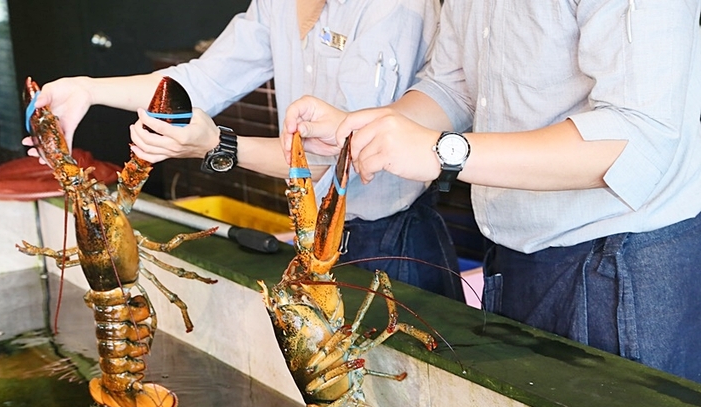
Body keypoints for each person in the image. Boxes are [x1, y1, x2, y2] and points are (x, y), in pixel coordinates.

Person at [282, 1, 701, 382]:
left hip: (619, 258)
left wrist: (443, 152)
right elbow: (454, 86)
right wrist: (367, 129)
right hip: (513, 256)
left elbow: (635, 139)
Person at [25, 0, 466, 301]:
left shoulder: (394, 8)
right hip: (313, 235)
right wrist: (87, 90)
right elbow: (202, 81)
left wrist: (218, 145)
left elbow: (339, 157)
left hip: (392, 244)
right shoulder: (278, 5)